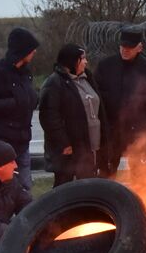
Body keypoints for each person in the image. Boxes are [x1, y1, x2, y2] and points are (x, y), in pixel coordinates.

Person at [93, 25, 146, 176]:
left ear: (139, 48)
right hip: (111, 130)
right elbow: (95, 94)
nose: (125, 50)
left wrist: (138, 101)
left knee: (141, 173)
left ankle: (143, 197)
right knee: (106, 171)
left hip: (137, 130)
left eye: (130, 47)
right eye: (123, 46)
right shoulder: (106, 66)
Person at [0, 27, 40, 192]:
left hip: (22, 142)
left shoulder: (26, 73)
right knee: (1, 189)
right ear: (22, 51)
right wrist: (13, 103)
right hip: (1, 143)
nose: (34, 53)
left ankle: (25, 218)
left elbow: (28, 98)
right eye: (31, 50)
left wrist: (33, 99)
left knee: (24, 187)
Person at [39, 44, 102, 185]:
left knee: (88, 186)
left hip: (89, 146)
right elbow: (49, 117)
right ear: (71, 61)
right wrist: (64, 143)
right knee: (65, 189)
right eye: (82, 58)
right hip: (69, 149)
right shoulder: (54, 83)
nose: (86, 62)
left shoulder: (88, 78)